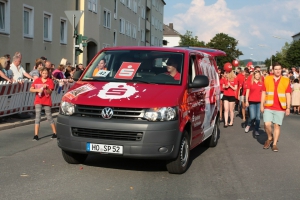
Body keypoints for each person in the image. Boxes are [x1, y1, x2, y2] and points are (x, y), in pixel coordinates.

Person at [261, 62, 291, 152]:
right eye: (276, 69)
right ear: (273, 70)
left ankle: (274, 144)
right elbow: (263, 92)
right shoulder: (267, 79)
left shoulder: (286, 80)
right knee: (266, 124)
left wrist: (288, 107)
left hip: (280, 107)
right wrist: (261, 105)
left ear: (282, 70)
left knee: (276, 126)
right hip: (268, 106)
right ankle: (270, 137)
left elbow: (288, 94)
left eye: (279, 69)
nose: (278, 71)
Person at [30, 67, 57, 140]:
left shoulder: (50, 81)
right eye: (43, 73)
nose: (45, 75)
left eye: (46, 73)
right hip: (38, 100)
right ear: (41, 73)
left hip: (46, 100)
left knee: (49, 116)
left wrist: (46, 88)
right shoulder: (37, 80)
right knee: (37, 117)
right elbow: (31, 89)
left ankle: (55, 133)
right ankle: (36, 135)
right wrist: (38, 89)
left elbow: (50, 92)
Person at [245, 70, 263, 136]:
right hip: (252, 102)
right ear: (254, 75)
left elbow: (263, 93)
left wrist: (263, 103)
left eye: (259, 75)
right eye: (256, 75)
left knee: (258, 117)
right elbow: (247, 92)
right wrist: (246, 101)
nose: (257, 76)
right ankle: (249, 124)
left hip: (259, 102)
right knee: (252, 116)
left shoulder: (262, 83)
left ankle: (256, 130)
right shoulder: (250, 83)